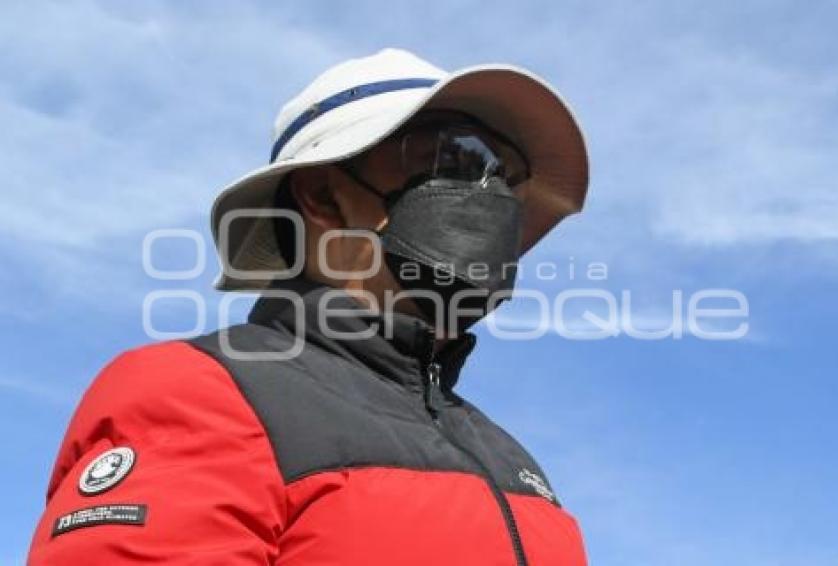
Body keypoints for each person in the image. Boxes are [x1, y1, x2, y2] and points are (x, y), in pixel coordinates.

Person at [28, 47, 589, 565]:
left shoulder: (514, 462)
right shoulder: (201, 390)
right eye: (454, 158)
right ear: (322, 196)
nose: (489, 193)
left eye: (504, 175)